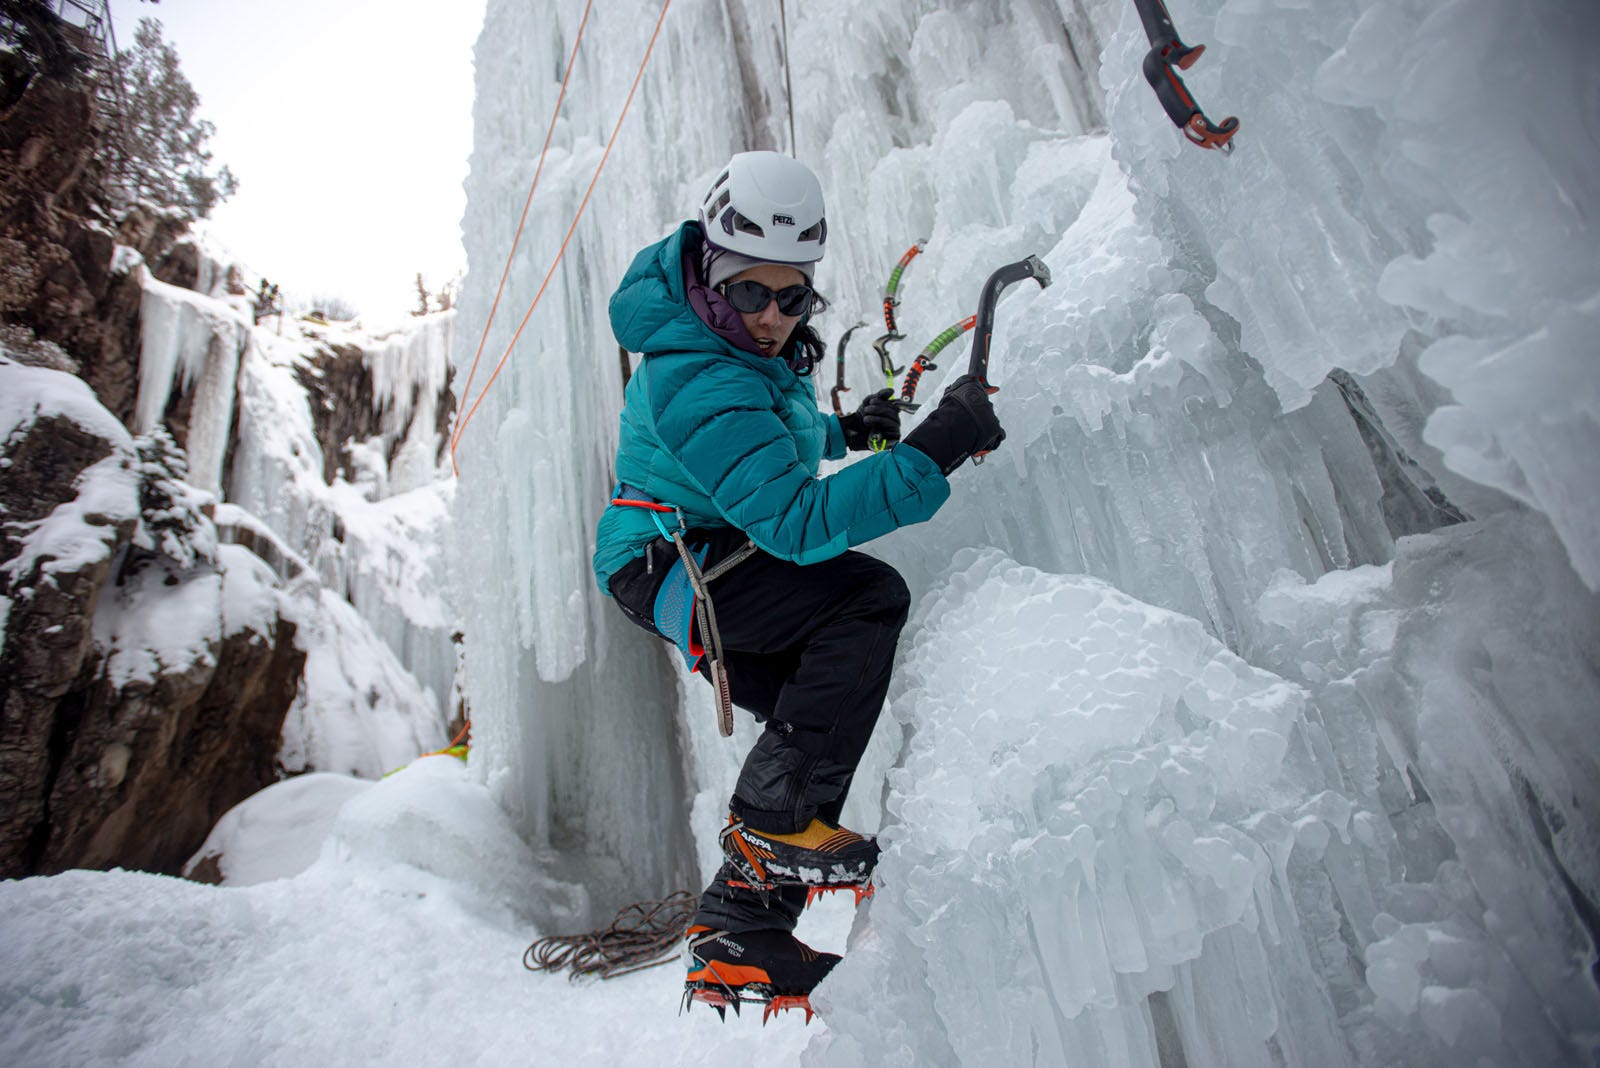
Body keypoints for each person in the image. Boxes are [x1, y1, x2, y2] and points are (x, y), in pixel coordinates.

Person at [592, 150, 1005, 1014]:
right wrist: (932, 452)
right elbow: (792, 523)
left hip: (699, 546)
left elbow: (762, 437)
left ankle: (741, 929)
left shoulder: (723, 343)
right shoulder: (696, 372)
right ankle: (772, 827)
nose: (774, 315)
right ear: (712, 274)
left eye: (792, 295)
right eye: (752, 293)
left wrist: (844, 429)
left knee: (818, 703)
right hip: (671, 559)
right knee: (864, 599)